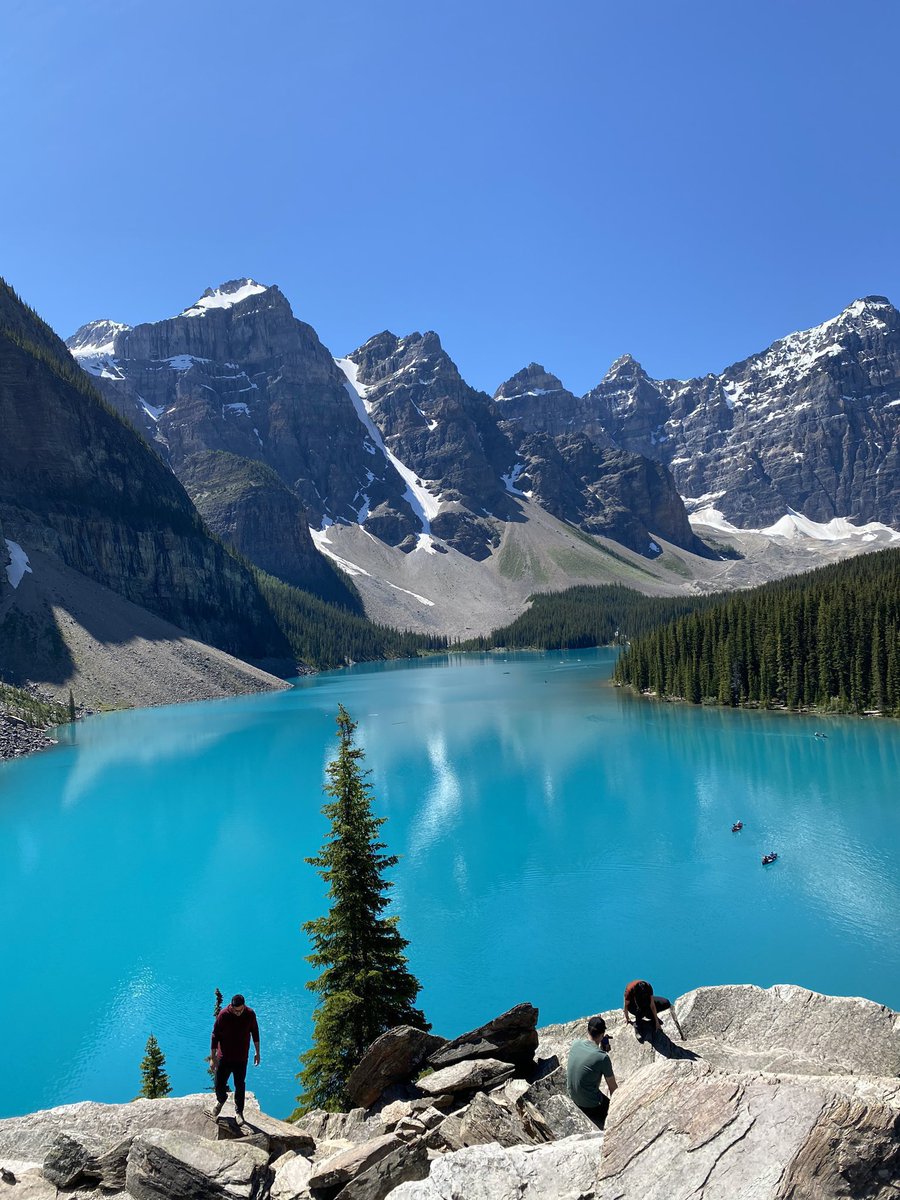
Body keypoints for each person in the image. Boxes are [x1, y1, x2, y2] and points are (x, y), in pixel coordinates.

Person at [209, 993, 260, 1123]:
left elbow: (255, 1032)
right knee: (219, 1083)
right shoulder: (224, 1015)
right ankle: (221, 1100)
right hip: (224, 1057)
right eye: (236, 1010)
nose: (238, 1013)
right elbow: (215, 1035)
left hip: (241, 1058)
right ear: (231, 1006)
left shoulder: (250, 1014)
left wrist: (257, 1052)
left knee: (240, 1085)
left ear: (244, 1006)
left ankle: (239, 1112)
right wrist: (213, 1057)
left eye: (241, 1010)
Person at [566, 1015, 618, 1127]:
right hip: (590, 1106)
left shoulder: (575, 1044)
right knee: (615, 1112)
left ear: (588, 1030)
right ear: (603, 1033)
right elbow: (613, 1088)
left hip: (573, 1098)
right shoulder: (602, 1057)